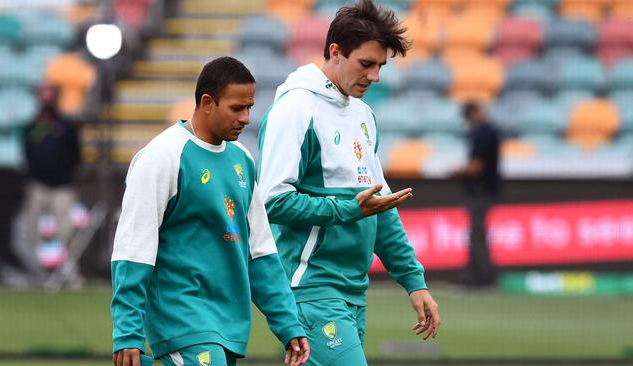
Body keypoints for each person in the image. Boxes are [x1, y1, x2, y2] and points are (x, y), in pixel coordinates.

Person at [256, 1, 440, 364]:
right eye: (366, 64)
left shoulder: (364, 116)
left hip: (353, 292)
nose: (375, 77)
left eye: (381, 67)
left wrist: (414, 282)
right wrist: (349, 208)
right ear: (335, 52)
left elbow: (382, 212)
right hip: (309, 289)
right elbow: (272, 201)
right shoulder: (296, 109)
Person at [111, 57, 309, 366]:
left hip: (229, 321)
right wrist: (127, 331)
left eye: (249, 108)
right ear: (207, 102)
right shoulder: (161, 157)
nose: (245, 118)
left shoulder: (243, 160)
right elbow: (133, 251)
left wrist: (289, 324)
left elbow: (261, 255)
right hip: (181, 315)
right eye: (236, 108)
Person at [22, 83, 81, 278]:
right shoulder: (32, 126)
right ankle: (36, 270)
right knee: (32, 230)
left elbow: (76, 154)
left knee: (65, 229)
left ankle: (65, 269)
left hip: (62, 186)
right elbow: (27, 152)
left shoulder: (66, 126)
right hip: (38, 186)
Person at [452, 101, 501, 287]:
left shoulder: (484, 133)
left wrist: (459, 171)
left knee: (477, 235)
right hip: (484, 190)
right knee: (477, 234)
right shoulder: (484, 131)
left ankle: (481, 277)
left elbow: (476, 166)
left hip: (481, 191)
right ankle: (479, 276)